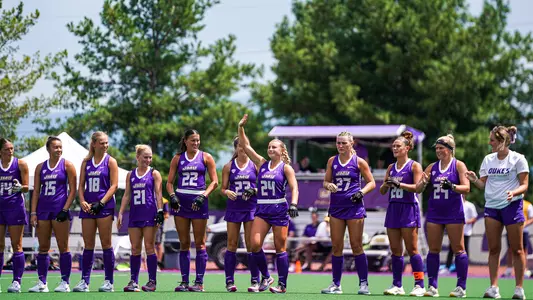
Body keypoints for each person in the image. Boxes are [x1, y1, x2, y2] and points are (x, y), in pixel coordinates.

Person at [238, 114, 299, 294]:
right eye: (269, 147)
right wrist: (240, 127)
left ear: (281, 150)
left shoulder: (285, 168)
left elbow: (295, 188)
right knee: (254, 244)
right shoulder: (261, 163)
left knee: (280, 248)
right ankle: (266, 276)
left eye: (274, 147)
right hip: (262, 208)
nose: (270, 149)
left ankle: (282, 285)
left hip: (279, 209)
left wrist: (293, 204)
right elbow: (245, 146)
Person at [466, 126, 529, 299]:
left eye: (492, 140)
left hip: (512, 206)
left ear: (502, 141)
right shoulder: (488, 159)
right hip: (492, 207)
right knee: (494, 249)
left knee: (517, 249)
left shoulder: (518, 159)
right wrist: (474, 180)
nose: (489, 143)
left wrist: (514, 193)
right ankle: (494, 288)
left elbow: (524, 184)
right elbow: (483, 184)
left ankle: (519, 289)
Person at [320, 131, 376, 295]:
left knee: (356, 246)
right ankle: (336, 284)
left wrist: (361, 192)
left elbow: (371, 182)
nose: (341, 146)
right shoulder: (332, 161)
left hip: (354, 208)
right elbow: (326, 181)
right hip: (336, 208)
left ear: (352, 144)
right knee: (336, 246)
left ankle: (364, 284)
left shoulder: (359, 162)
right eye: (338, 143)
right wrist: (328, 185)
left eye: (344, 143)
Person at [416, 134, 470, 298]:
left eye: (441, 148)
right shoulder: (432, 167)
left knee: (458, 249)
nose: (438, 151)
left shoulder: (459, 165)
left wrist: (453, 186)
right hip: (434, 212)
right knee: (433, 250)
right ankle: (432, 286)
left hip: (453, 212)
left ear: (450, 149)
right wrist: (424, 182)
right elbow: (418, 189)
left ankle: (461, 287)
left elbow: (466, 188)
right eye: (437, 148)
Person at [166, 129, 218, 292]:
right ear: (186, 141)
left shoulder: (206, 157)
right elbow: (169, 182)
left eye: (198, 140)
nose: (196, 143)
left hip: (199, 202)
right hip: (181, 203)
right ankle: (184, 281)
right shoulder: (177, 158)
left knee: (200, 243)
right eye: (193, 140)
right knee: (184, 243)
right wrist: (173, 196)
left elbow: (214, 181)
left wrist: (203, 196)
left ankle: (199, 282)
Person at [379, 131, 426, 296]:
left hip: (408, 208)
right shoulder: (391, 167)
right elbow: (382, 191)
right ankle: (397, 284)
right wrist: (387, 184)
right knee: (395, 250)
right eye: (393, 146)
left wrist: (400, 185)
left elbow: (418, 188)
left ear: (407, 148)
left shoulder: (414, 166)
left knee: (412, 249)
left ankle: (419, 284)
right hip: (393, 209)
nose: (394, 148)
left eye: (398, 146)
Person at [28, 136, 77, 293]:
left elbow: (73, 190)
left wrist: (65, 209)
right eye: (55, 147)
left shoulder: (67, 165)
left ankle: (65, 282)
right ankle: (42, 283)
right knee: (43, 247)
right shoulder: (40, 167)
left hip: (59, 210)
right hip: (43, 210)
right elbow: (35, 191)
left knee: (63, 246)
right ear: (48, 149)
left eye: (60, 147)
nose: (59, 150)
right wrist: (33, 212)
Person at [73, 131, 119, 292]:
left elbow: (114, 186)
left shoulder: (110, 161)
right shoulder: (86, 162)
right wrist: (82, 201)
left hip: (104, 207)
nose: (105, 145)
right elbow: (80, 186)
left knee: (106, 244)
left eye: (107, 142)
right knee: (88, 245)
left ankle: (109, 282)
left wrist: (102, 202)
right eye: (102, 142)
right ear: (93, 144)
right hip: (88, 207)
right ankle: (84, 281)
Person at [118, 145, 164, 292]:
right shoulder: (130, 175)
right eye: (145, 157)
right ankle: (134, 281)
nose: (148, 160)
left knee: (150, 247)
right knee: (135, 248)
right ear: (137, 157)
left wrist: (160, 211)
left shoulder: (154, 174)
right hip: (134, 215)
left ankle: (152, 281)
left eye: (150, 157)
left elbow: (158, 194)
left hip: (149, 214)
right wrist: (120, 213)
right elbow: (126, 195)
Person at [220, 137, 259, 292]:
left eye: (245, 145)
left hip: (250, 208)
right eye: (240, 146)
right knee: (231, 243)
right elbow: (223, 188)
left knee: (251, 244)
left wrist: (254, 190)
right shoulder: (228, 166)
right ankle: (229, 281)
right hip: (234, 208)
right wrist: (227, 191)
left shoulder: (255, 165)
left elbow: (262, 186)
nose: (243, 148)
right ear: (236, 148)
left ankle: (255, 280)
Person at [0, 138, 29, 293]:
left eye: (12, 148)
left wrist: (20, 188)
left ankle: (16, 281)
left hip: (15, 208)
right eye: (6, 149)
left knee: (16, 244)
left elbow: (26, 187)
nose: (10, 151)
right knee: (0, 246)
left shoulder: (20, 164)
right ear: (0, 151)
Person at [442, 198, 478, 275]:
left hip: (466, 231)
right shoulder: (453, 203)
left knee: (464, 250)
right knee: (451, 249)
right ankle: (447, 268)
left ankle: (464, 268)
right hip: (455, 231)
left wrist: (466, 222)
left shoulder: (470, 205)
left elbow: (474, 218)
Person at [502, 199, 533, 277]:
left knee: (523, 250)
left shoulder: (528, 205)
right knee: (510, 250)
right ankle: (509, 269)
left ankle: (524, 269)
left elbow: (531, 218)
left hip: (523, 231)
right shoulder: (509, 203)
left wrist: (524, 224)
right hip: (510, 230)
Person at [154, 198, 169, 270]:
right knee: (151, 245)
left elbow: (167, 215)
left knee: (158, 244)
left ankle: (158, 263)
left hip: (159, 226)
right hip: (149, 225)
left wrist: (159, 220)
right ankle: (154, 263)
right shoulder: (149, 198)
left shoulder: (164, 201)